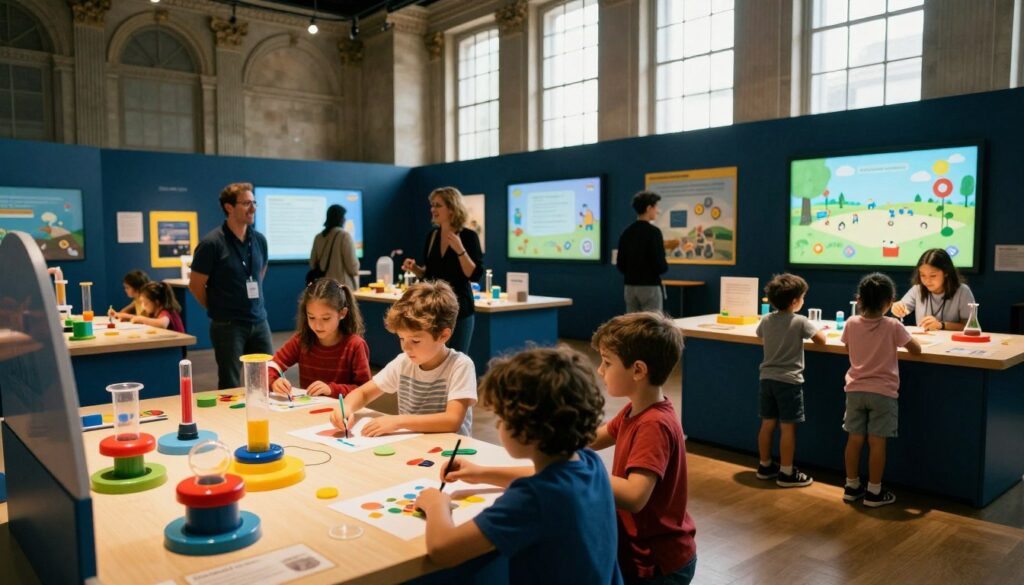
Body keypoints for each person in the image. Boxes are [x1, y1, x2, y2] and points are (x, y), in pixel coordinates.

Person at [414, 346, 623, 584]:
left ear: (527, 430)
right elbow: (543, 478)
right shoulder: (589, 462)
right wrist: (481, 472)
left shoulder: (532, 498)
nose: (498, 426)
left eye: (502, 419)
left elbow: (443, 550)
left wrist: (436, 505)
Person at [590, 313, 696, 584]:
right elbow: (594, 438)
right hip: (641, 555)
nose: (600, 370)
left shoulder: (653, 424)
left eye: (607, 362)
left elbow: (634, 495)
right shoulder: (636, 409)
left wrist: (584, 471)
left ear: (638, 370)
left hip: (659, 563)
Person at [330, 280, 476, 437]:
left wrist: (398, 421)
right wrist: (346, 408)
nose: (405, 348)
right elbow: (364, 393)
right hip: (413, 445)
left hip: (450, 448)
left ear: (443, 336)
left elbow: (452, 420)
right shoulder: (403, 362)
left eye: (415, 341)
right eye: (401, 338)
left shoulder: (460, 365)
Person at [842, 273, 922, 507]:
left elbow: (848, 348)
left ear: (859, 300)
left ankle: (851, 486)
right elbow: (916, 349)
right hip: (883, 393)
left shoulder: (851, 323)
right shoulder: (893, 325)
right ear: (890, 302)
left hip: (855, 390)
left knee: (854, 440)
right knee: (877, 443)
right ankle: (874, 492)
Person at [189, 182, 273, 389]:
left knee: (267, 380)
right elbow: (196, 285)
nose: (253, 209)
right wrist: (218, 308)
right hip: (228, 325)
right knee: (230, 384)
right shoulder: (212, 244)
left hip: (259, 321)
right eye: (246, 203)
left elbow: (260, 273)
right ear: (229, 207)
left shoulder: (259, 240)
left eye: (254, 203)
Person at [754, 274, 827, 488]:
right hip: (789, 382)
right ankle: (786, 473)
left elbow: (759, 334)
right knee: (788, 428)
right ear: (795, 301)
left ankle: (765, 465)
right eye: (803, 297)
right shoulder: (800, 321)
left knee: (767, 423)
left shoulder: (766, 319)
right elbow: (821, 341)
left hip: (767, 379)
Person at [401, 187, 483, 354]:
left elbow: (474, 275)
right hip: (434, 310)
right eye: (432, 205)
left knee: (457, 360)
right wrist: (415, 269)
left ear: (452, 209)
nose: (433, 209)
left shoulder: (468, 236)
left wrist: (460, 250)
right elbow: (429, 275)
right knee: (434, 359)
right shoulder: (432, 236)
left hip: (460, 310)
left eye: (438, 205)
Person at [268, 278, 371, 399]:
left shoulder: (355, 345)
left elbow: (365, 390)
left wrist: (331, 389)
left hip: (342, 409)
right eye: (311, 317)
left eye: (326, 318)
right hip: (309, 408)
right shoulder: (302, 340)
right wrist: (274, 382)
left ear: (342, 313)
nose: (318, 326)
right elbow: (271, 366)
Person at [891, 248, 975, 331]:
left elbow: (971, 326)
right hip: (924, 339)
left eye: (933, 276)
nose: (927, 281)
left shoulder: (962, 291)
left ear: (946, 272)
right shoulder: (917, 289)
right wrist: (897, 308)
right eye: (923, 275)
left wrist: (941, 325)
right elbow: (903, 307)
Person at [617, 191, 668, 313]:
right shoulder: (654, 232)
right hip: (650, 287)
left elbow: (620, 264)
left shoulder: (627, 232)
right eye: (656, 207)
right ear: (649, 208)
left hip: (629, 287)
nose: (657, 211)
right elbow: (660, 265)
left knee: (632, 323)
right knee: (652, 323)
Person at [309, 204, 359, 290]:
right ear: (340, 219)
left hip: (323, 288)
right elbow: (353, 268)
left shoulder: (318, 237)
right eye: (343, 217)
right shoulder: (344, 236)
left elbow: (312, 263)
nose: (345, 219)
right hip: (342, 288)